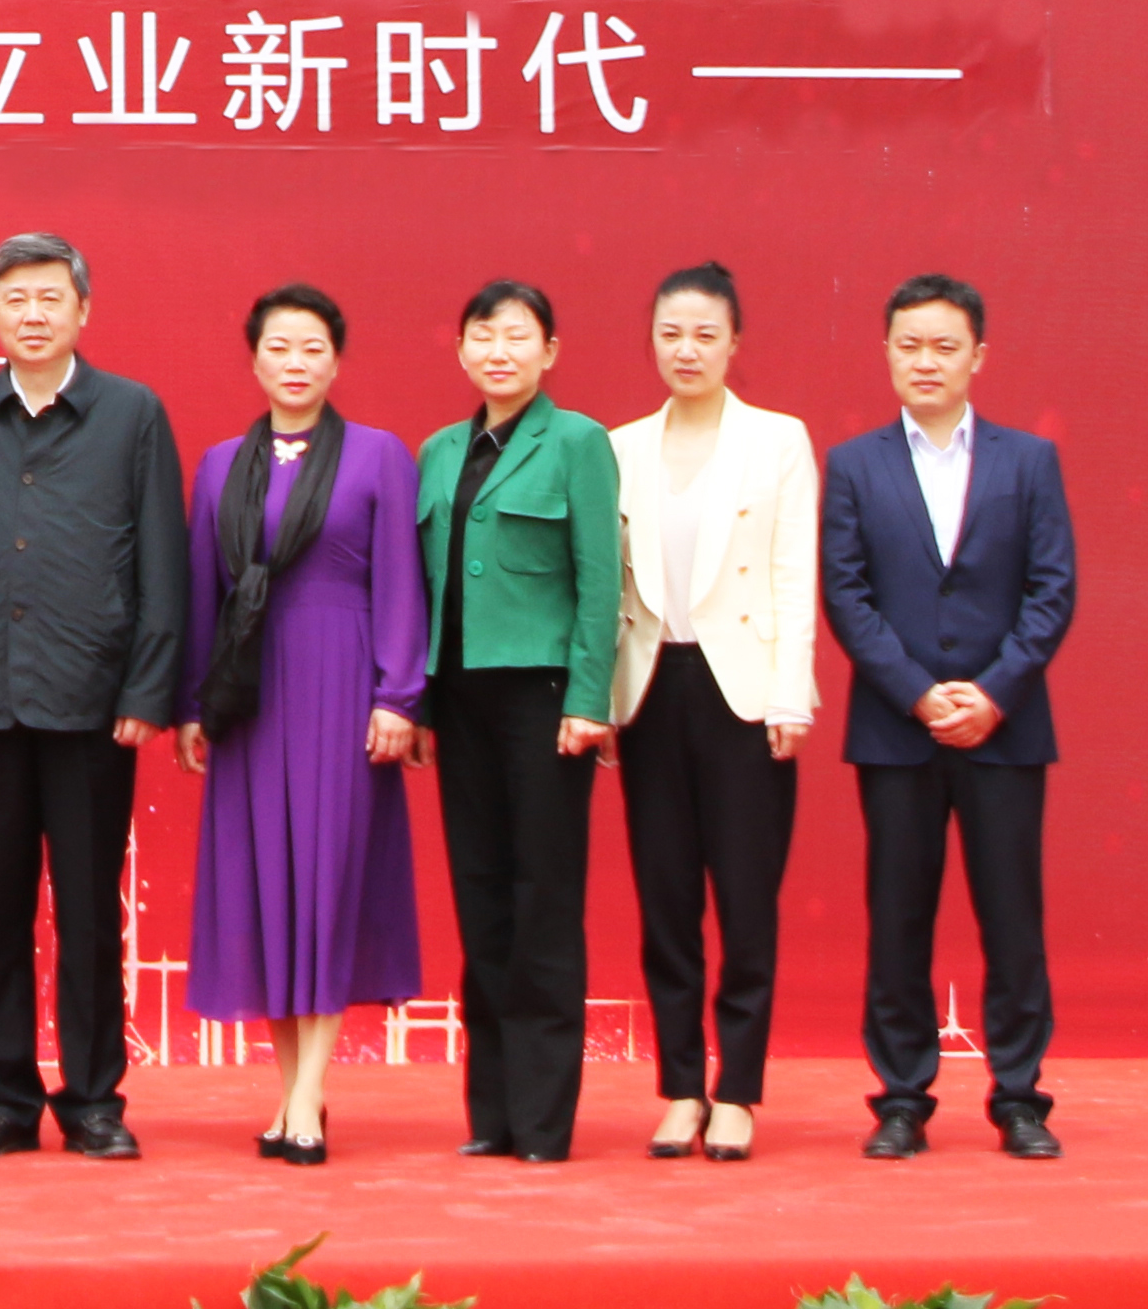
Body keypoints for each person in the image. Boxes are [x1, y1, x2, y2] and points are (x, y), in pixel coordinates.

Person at [0, 232, 183, 1162]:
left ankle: (94, 1101)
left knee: (88, 911)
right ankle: (2, 1100)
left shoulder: (132, 414)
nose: (33, 315)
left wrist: (147, 685)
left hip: (92, 702)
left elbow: (162, 561)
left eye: (49, 299)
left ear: (83, 311)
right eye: (16, 300)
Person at [823, 273, 1077, 1162]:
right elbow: (846, 595)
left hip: (1005, 728)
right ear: (887, 352)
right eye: (909, 345)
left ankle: (1020, 1098)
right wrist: (917, 692)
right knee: (898, 919)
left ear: (978, 356)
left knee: (1013, 918)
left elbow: (1052, 589)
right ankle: (901, 1098)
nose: (925, 361)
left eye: (944, 346)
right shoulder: (853, 464)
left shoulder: (1028, 461)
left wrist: (994, 692)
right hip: (897, 730)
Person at [170, 285, 423, 1170]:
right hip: (250, 698)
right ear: (254, 360)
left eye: (313, 348)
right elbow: (201, 593)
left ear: (336, 360)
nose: (295, 363)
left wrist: (398, 696)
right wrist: (193, 706)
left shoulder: (380, 455)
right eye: (279, 347)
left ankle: (310, 1095)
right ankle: (291, 1095)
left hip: (343, 684)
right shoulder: (218, 466)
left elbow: (401, 583)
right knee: (268, 892)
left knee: (328, 883)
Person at [607, 262, 821, 1165]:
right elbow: (608, 588)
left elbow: (792, 574)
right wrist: (599, 701)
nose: (685, 349)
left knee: (744, 898)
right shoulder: (618, 447)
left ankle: (738, 1091)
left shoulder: (777, 440)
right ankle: (681, 1088)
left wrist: (791, 692)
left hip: (745, 694)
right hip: (652, 689)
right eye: (670, 333)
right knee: (665, 901)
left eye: (704, 334)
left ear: (735, 342)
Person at [411, 279, 619, 1162]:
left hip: (543, 701)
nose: (499, 351)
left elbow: (601, 577)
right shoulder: (437, 450)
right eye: (483, 336)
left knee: (544, 899)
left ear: (550, 351)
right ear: (462, 350)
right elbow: (424, 587)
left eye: (518, 335)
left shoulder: (578, 441)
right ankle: (491, 1114)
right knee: (482, 896)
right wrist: (420, 702)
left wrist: (587, 697)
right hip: (460, 700)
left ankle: (542, 1119)